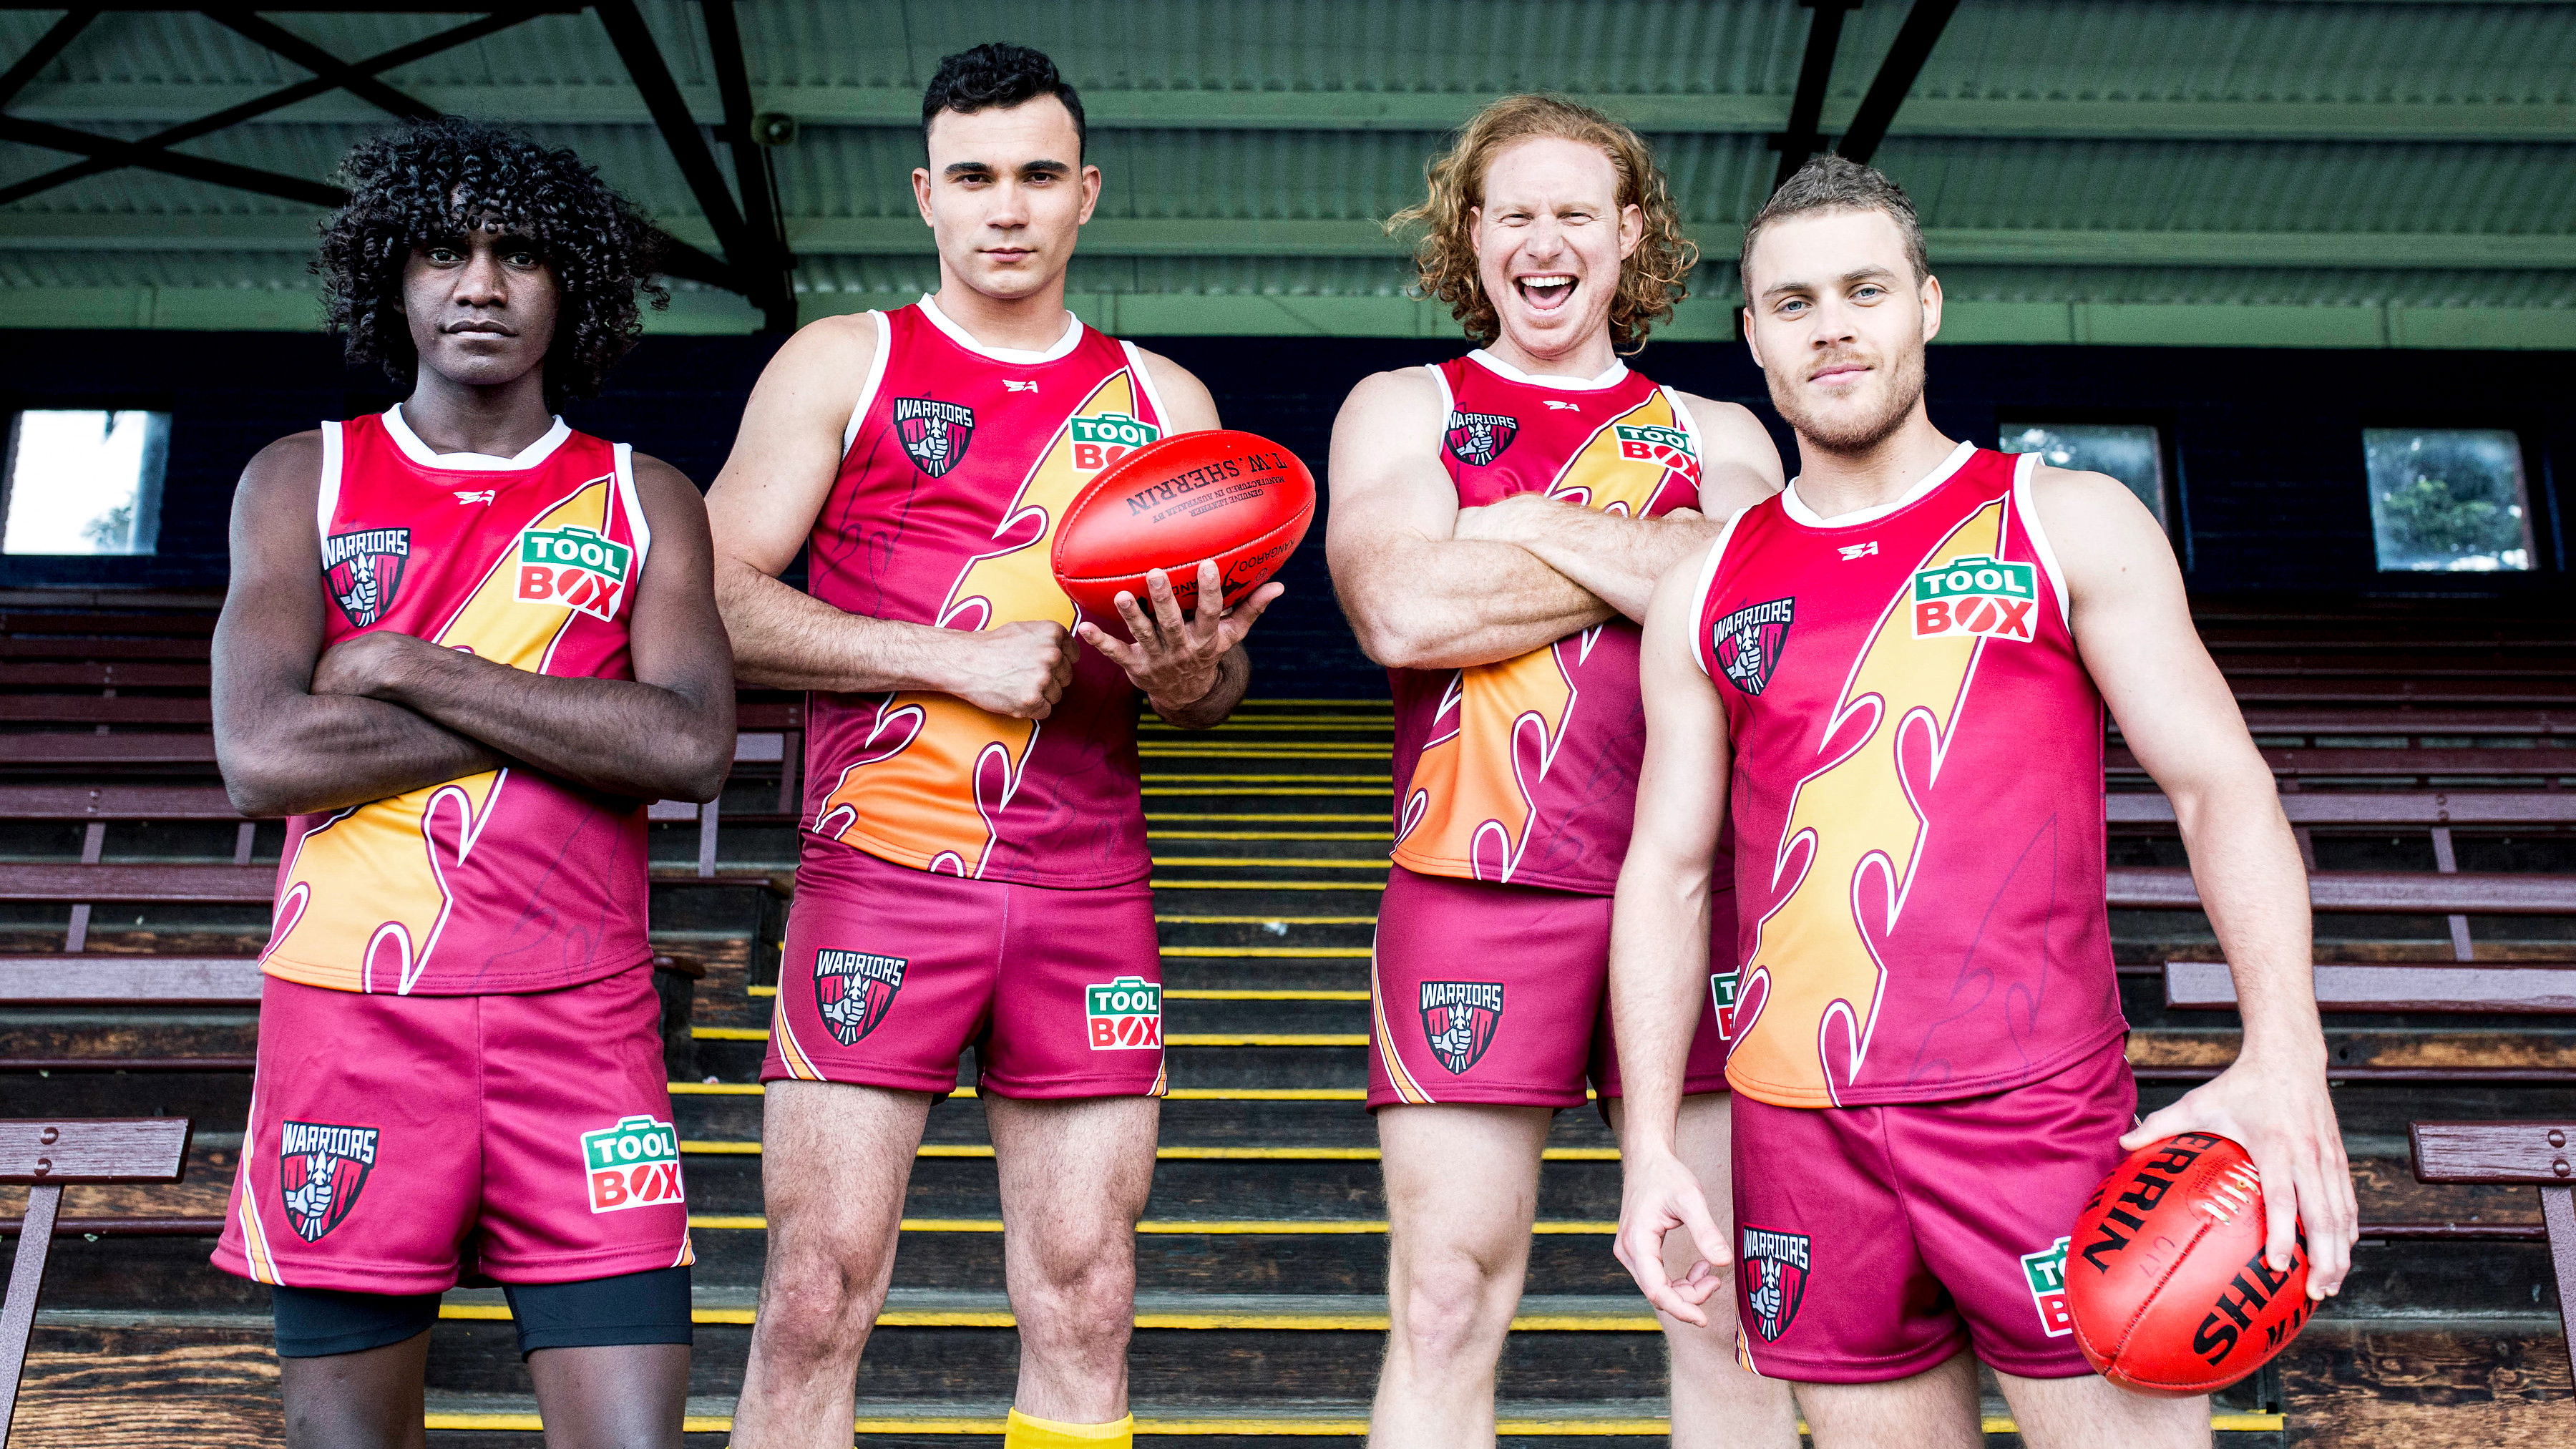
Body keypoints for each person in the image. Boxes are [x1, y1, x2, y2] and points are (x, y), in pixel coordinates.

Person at [1609, 155, 2361, 1448]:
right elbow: (1669, 871)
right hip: (1802, 1137)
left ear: (1928, 304)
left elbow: (2218, 785)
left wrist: (2287, 1050)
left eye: (1866, 290)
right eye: (1794, 302)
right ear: (1754, 336)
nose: (1832, 326)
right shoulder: (1705, 584)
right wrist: (1651, 1150)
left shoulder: (2065, 519)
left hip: (2039, 1117)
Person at [702, 44, 1274, 1449]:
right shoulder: (847, 359)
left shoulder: (1167, 402)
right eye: (973, 177)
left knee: (1088, 1296)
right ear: (926, 195)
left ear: (1087, 193)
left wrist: (1194, 676)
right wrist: (948, 656)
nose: (1006, 207)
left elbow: (1208, 690)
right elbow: (708, 597)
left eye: (1036, 175)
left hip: (1087, 890)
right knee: (814, 1294)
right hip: (879, 878)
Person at [208, 117, 735, 1448]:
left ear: (574, 286)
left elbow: (688, 747)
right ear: (393, 276)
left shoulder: (646, 496)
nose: (481, 285)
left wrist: (404, 667)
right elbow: (263, 755)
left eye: (521, 256)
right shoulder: (302, 477)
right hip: (353, 1019)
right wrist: (573, 717)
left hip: (584, 1018)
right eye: (445, 251)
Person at [1326, 95, 1797, 1448]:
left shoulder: (1720, 430)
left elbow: (1750, 617)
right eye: (1515, 213)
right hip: (1473, 887)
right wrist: (1652, 558)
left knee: (1725, 1304)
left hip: (1702, 889)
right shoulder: (1404, 407)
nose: (1545, 242)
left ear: (1630, 233)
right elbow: (1402, 611)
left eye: (1576, 213)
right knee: (1443, 1303)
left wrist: (1519, 521)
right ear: (1471, 235)